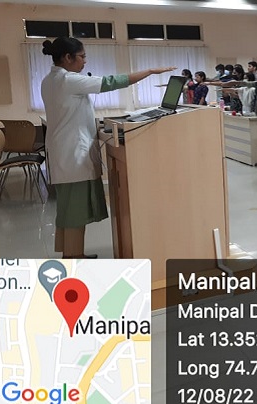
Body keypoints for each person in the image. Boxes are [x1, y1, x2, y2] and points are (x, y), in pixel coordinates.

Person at [40, 37, 174, 258]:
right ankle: (73, 258)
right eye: (82, 57)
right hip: (72, 155)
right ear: (68, 57)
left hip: (64, 153)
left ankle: (71, 254)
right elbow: (112, 82)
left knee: (69, 210)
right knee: (75, 213)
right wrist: (150, 71)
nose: (85, 61)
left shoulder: (50, 80)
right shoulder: (68, 80)